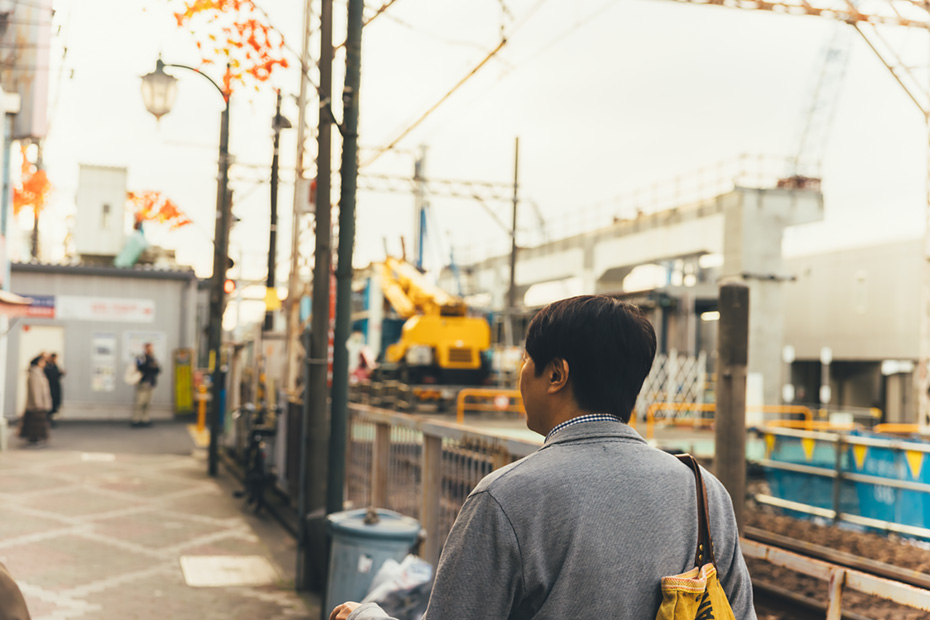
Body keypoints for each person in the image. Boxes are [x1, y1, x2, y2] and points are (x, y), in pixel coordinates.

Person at [330, 295, 756, 620]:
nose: (521, 374)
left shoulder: (506, 498)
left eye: (526, 361)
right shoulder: (703, 491)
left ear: (556, 375)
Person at [19, 354, 51, 445]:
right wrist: (38, 402)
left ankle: (36, 438)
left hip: (39, 403)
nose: (44, 364)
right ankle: (34, 439)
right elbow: (35, 389)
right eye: (43, 362)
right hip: (36, 404)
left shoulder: (38, 372)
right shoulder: (35, 374)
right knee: (35, 424)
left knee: (37, 423)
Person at [131, 343, 160, 428]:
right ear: (145, 349)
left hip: (151, 383)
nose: (151, 350)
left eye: (151, 348)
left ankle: (145, 419)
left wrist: (153, 366)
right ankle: (135, 420)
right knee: (139, 402)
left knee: (148, 403)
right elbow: (140, 367)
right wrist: (151, 366)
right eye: (149, 348)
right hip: (143, 383)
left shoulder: (153, 358)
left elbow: (158, 370)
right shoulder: (141, 357)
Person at [43, 353, 65, 427]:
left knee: (55, 403)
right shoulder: (48, 366)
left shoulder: (54, 365)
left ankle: (50, 419)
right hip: (51, 387)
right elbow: (51, 375)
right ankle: (48, 420)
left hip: (55, 387)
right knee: (51, 403)